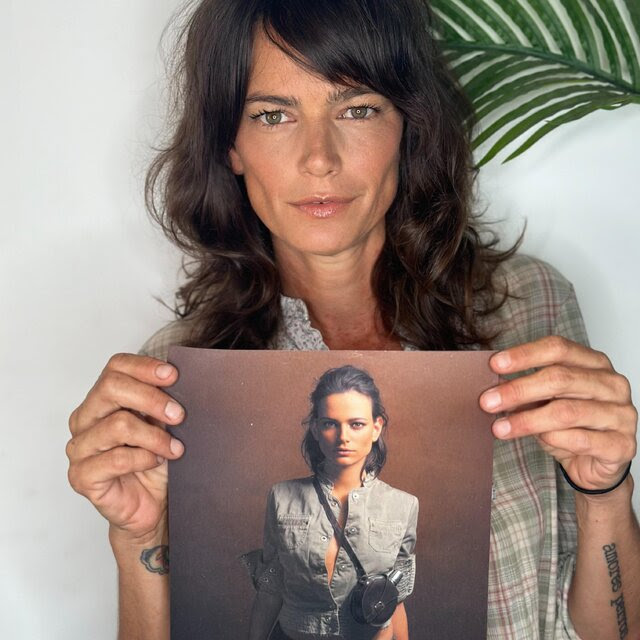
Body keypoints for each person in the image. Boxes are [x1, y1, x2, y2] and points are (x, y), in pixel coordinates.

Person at [65, 0, 639, 639]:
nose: (319, 158)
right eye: (273, 115)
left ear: (407, 125)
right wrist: (138, 539)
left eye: (357, 108)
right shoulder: (175, 375)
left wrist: (606, 493)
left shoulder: (530, 304)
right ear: (230, 145)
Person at [244, 365, 418, 640]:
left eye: (356, 424)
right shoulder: (282, 497)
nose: (343, 437)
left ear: (376, 428)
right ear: (315, 428)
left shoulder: (403, 505)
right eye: (330, 423)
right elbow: (270, 591)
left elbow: (393, 597)